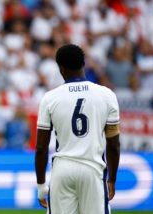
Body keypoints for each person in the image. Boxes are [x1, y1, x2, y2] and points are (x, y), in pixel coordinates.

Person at [35, 44, 120, 214]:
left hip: (63, 169)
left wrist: (41, 185)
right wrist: (112, 179)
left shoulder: (50, 98)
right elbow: (113, 144)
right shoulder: (107, 95)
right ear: (84, 64)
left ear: (61, 69)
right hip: (92, 168)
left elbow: (41, 147)